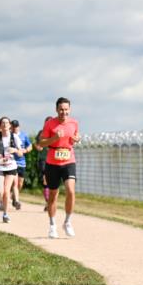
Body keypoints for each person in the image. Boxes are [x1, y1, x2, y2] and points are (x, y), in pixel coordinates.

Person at [39, 99, 80, 238]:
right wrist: (55, 137)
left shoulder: (74, 123)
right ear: (56, 110)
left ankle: (67, 222)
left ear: (70, 109)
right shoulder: (50, 124)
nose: (64, 112)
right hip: (52, 162)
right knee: (53, 196)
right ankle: (52, 226)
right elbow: (42, 143)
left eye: (66, 109)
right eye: (61, 109)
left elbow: (75, 137)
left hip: (69, 160)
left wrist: (77, 139)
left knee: (71, 191)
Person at [0, 116, 24, 224]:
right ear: (0, 125)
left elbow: (21, 152)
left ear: (9, 125)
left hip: (11, 166)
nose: (4, 125)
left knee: (7, 191)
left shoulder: (15, 137)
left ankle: (5, 214)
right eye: (2, 123)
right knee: (0, 191)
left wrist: (16, 150)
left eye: (6, 123)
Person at [8, 119, 32, 210]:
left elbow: (30, 146)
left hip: (22, 162)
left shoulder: (24, 135)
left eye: (16, 126)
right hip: (12, 162)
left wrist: (25, 150)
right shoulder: (8, 136)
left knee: (20, 183)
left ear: (19, 126)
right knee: (14, 182)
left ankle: (14, 197)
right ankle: (16, 200)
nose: (15, 128)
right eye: (13, 126)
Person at [33, 116, 52, 211]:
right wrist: (38, 147)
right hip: (43, 159)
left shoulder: (54, 132)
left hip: (53, 159)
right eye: (47, 122)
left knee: (51, 181)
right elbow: (36, 143)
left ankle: (49, 202)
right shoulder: (41, 133)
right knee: (45, 180)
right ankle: (48, 202)